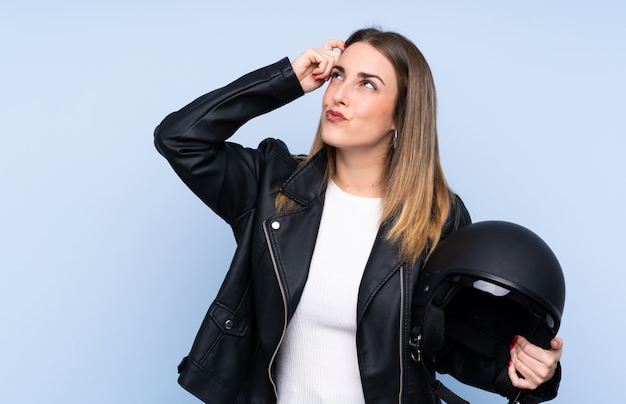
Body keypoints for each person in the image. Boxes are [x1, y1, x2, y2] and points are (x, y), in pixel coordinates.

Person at [154, 28, 563, 403]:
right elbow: (179, 139)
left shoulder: (438, 218)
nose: (339, 95)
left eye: (367, 84)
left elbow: (446, 344)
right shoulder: (272, 186)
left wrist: (532, 372)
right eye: (338, 76)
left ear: (401, 117)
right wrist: (287, 80)